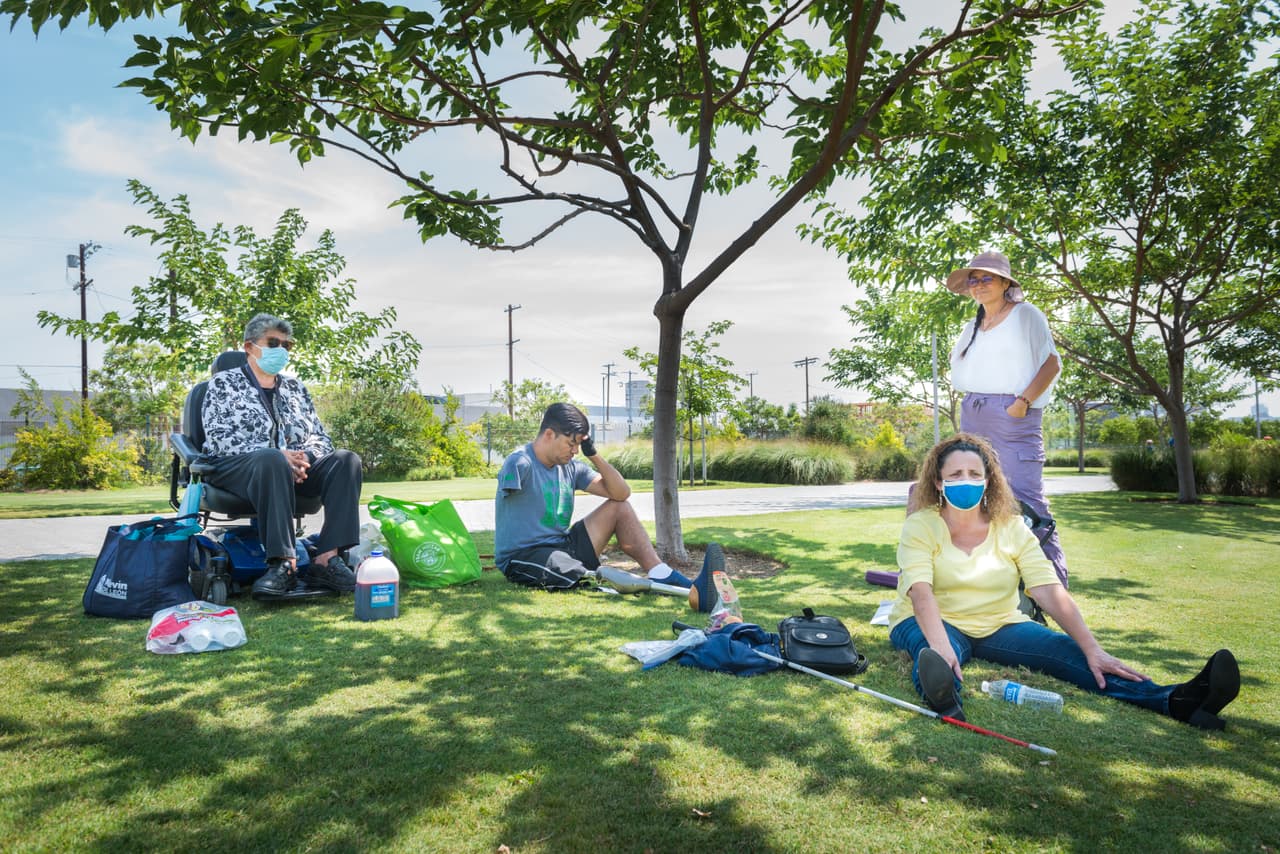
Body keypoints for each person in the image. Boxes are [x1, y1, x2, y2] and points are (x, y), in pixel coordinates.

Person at [887, 433, 1241, 730]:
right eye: (955, 474)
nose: (965, 480)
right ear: (938, 482)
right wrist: (943, 647)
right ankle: (947, 701)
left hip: (1000, 624)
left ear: (988, 479)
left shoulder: (1010, 527)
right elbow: (921, 593)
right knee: (932, 654)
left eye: (973, 473)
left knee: (1071, 655)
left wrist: (1092, 648)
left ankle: (1176, 700)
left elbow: (1048, 591)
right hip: (928, 621)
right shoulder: (921, 525)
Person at [200, 313, 363, 597]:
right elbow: (220, 438)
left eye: (286, 345)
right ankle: (283, 564)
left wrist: (304, 459)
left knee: (346, 460)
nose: (281, 350)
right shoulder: (223, 384)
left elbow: (319, 436)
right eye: (272, 342)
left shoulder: (295, 388)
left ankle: (327, 558)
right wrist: (279, 455)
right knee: (272, 460)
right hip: (236, 468)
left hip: (292, 468)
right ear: (250, 347)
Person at [947, 250, 1068, 587]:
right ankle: (993, 580)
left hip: (1014, 412)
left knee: (1025, 497)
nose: (979, 284)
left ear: (1004, 283)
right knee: (979, 495)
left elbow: (1052, 364)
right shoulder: (973, 325)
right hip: (974, 412)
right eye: (974, 279)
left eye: (987, 278)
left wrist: (1023, 402)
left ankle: (1053, 584)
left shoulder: (1025, 315)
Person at [495, 402, 700, 591]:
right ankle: (612, 584)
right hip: (524, 554)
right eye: (571, 443)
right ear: (549, 434)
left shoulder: (571, 467)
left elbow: (621, 493)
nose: (575, 450)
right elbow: (509, 481)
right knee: (577, 573)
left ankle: (660, 573)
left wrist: (592, 453)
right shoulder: (521, 462)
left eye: (579, 444)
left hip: (563, 545)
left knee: (620, 507)